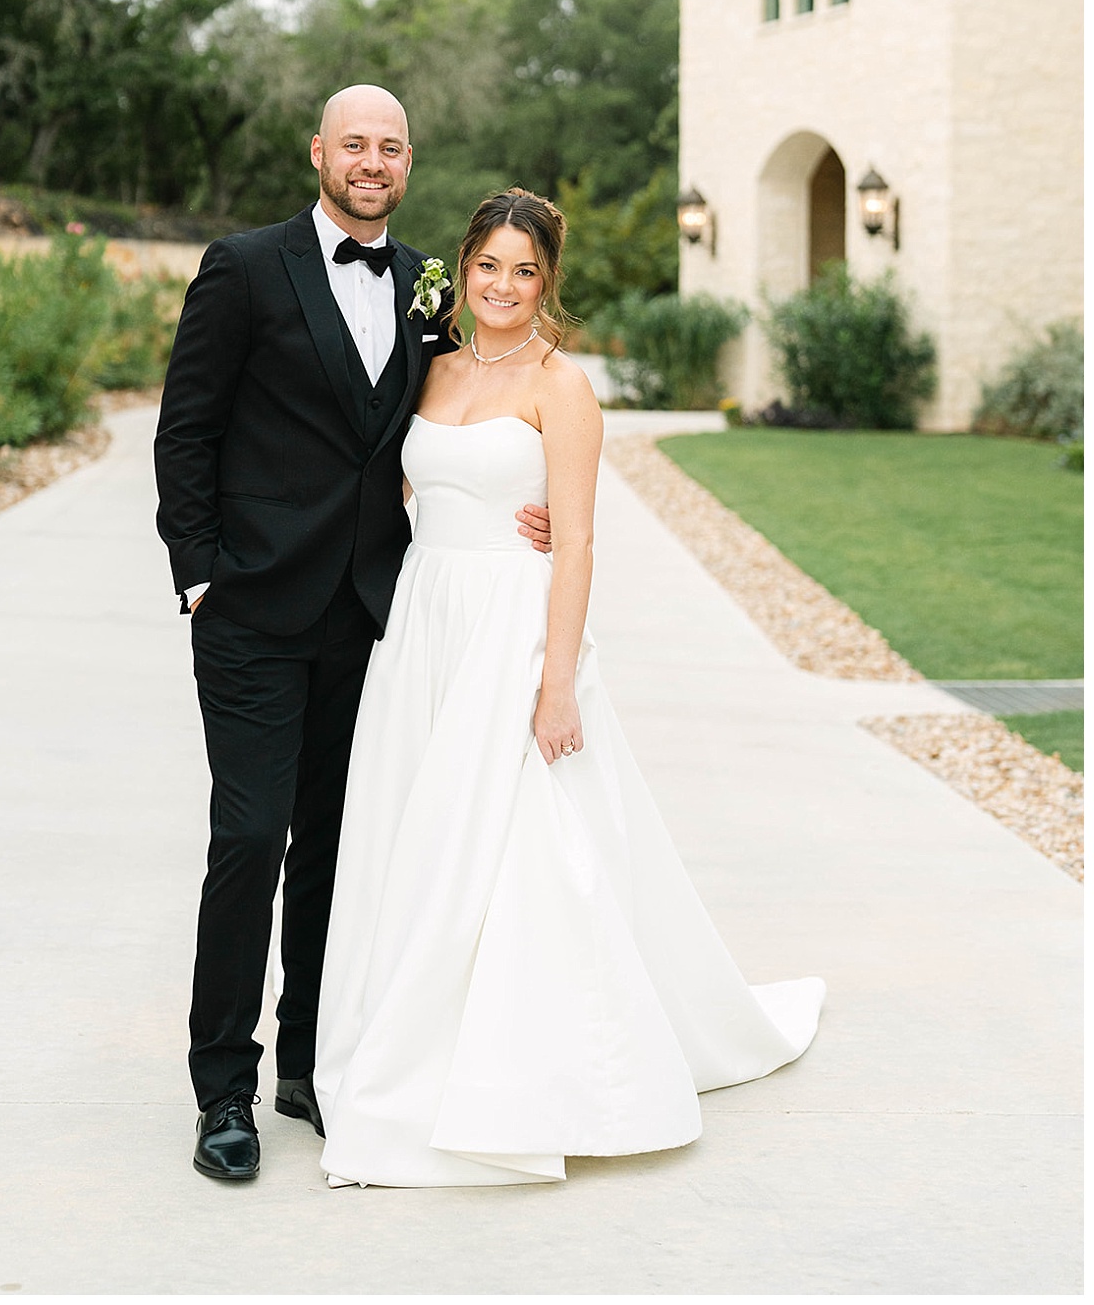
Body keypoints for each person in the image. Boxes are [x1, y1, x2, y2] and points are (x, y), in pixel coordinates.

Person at [314, 188, 826, 1188]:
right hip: (427, 621)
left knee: (511, 849)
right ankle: (399, 1035)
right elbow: (410, 486)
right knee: (414, 836)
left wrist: (558, 680)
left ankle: (509, 1074)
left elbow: (579, 535)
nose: (503, 287)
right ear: (462, 268)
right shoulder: (429, 368)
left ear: (547, 282)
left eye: (525, 271)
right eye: (489, 266)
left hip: (513, 623)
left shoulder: (563, 385)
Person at [153, 87, 551, 1182]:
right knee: (250, 840)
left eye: (390, 147)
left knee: (340, 848)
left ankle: (309, 1061)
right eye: (353, 144)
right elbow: (186, 430)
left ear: (408, 162)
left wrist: (537, 495)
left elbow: (478, 413)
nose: (370, 161)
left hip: (376, 621)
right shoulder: (243, 267)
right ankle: (222, 1087)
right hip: (250, 614)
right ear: (319, 152)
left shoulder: (433, 283)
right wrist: (198, 577)